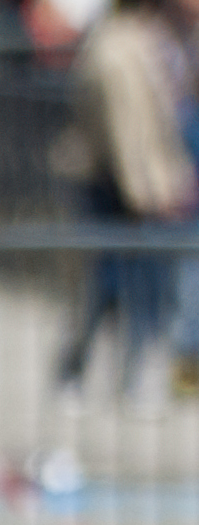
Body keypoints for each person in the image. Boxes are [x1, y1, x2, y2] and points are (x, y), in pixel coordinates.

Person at [54, 0, 195, 389]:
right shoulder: (116, 45)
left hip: (138, 182)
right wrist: (148, 192)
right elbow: (126, 130)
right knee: (105, 285)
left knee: (141, 285)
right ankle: (81, 370)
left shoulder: (154, 40)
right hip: (112, 183)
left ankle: (131, 372)